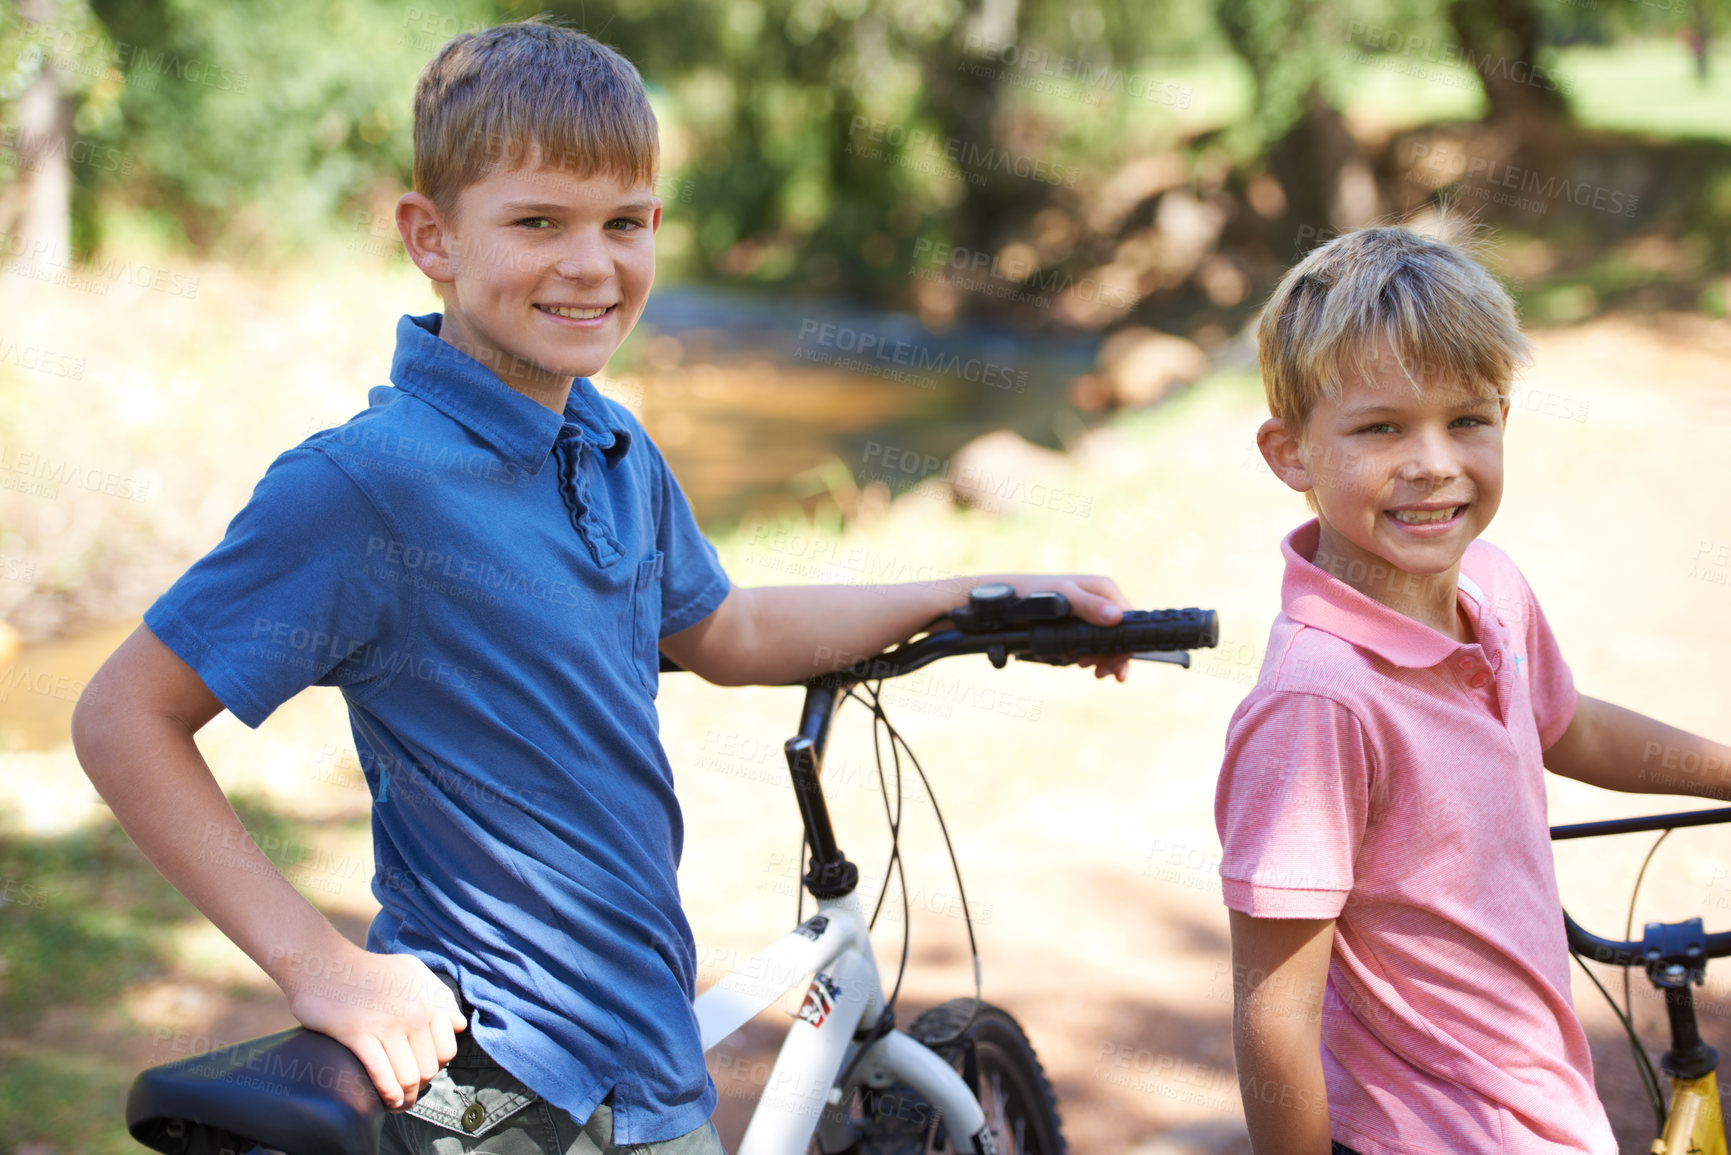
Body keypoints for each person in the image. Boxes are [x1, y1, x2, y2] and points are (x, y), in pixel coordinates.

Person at [69, 19, 1134, 1155]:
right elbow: (124, 716)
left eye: (624, 224)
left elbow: (731, 627)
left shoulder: (611, 445)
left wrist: (972, 593)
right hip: (514, 1067)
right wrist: (322, 966)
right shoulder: (365, 488)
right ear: (432, 237)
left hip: (645, 1057)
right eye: (538, 222)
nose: (591, 264)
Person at [1219, 224, 1731, 1155]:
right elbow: (1274, 1015)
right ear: (1290, 452)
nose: (1433, 462)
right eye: (1380, 427)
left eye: (1466, 419)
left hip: (1544, 1111)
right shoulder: (1319, 700)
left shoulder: (1489, 585)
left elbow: (1566, 728)